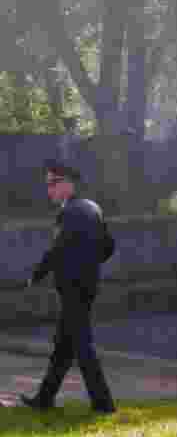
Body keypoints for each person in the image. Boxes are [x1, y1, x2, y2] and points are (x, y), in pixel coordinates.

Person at [21, 161, 116, 414]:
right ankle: (44, 398)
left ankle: (103, 404)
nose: (49, 189)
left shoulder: (70, 212)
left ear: (67, 184)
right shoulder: (93, 208)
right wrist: (89, 266)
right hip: (87, 285)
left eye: (53, 183)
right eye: (48, 184)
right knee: (64, 347)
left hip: (73, 288)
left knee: (83, 347)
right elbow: (108, 246)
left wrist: (37, 275)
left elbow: (56, 250)